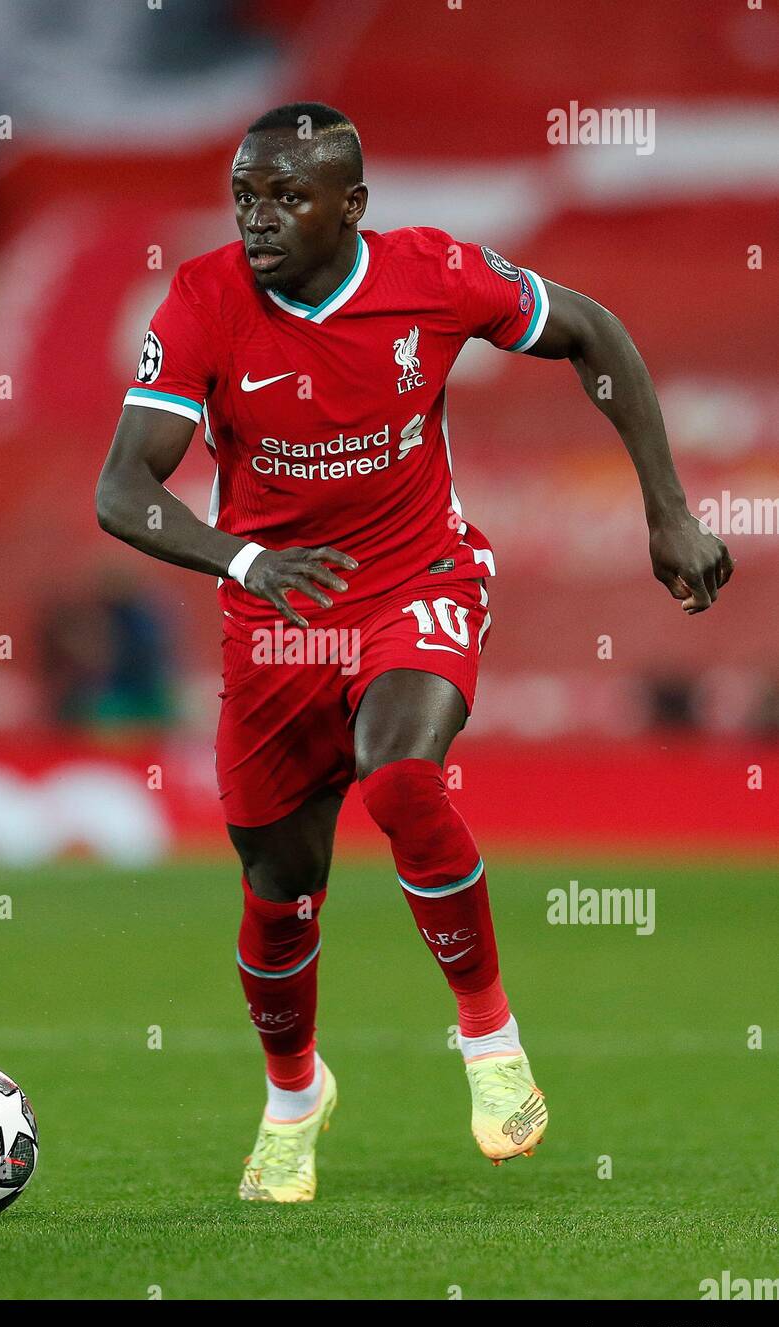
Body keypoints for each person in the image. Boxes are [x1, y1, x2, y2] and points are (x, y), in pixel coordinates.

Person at [96, 103, 733, 1202]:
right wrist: (246, 565)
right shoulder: (203, 300)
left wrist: (667, 512)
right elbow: (122, 488)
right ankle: (294, 1097)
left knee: (400, 776)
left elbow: (594, 331)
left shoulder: (432, 275)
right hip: (276, 620)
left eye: (288, 197)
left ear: (351, 206)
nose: (258, 219)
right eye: (245, 194)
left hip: (413, 579)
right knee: (277, 886)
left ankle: (489, 1042)